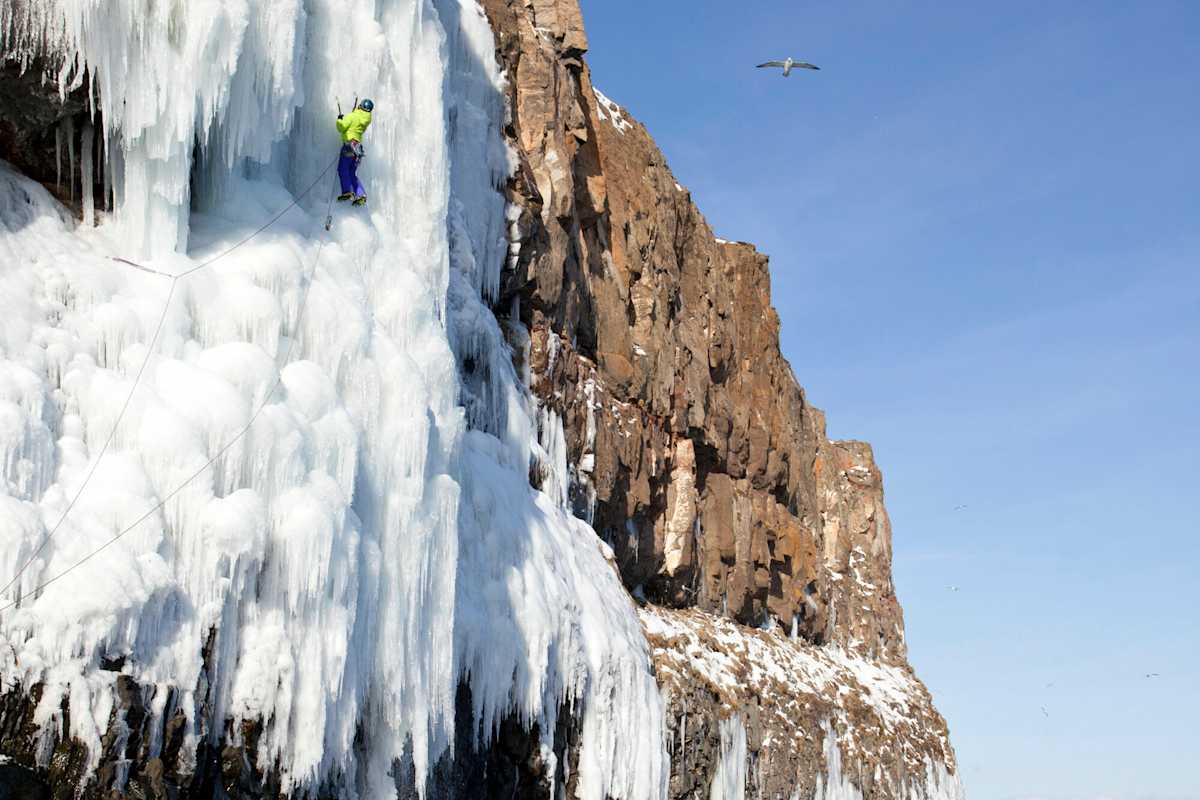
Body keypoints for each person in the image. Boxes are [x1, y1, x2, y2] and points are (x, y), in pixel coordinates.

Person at [336, 99, 374, 206]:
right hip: (358, 149)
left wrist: (339, 119)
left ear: (360, 106)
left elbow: (341, 127)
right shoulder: (365, 120)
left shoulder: (353, 116)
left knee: (342, 169)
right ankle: (361, 194)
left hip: (349, 146)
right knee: (352, 172)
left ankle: (347, 191)